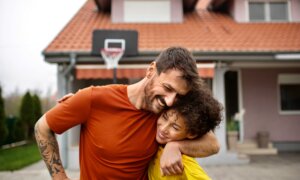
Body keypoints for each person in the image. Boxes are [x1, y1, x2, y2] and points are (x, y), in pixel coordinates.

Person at [34, 47, 220, 180]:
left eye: (178, 95)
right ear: (151, 70)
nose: (170, 100)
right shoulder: (93, 99)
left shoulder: (167, 114)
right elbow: (42, 127)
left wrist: (176, 146)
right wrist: (60, 177)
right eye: (167, 87)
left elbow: (212, 144)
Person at [148, 89, 223, 180]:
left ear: (191, 134)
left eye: (175, 127)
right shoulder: (161, 147)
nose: (163, 128)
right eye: (164, 117)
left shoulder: (184, 165)